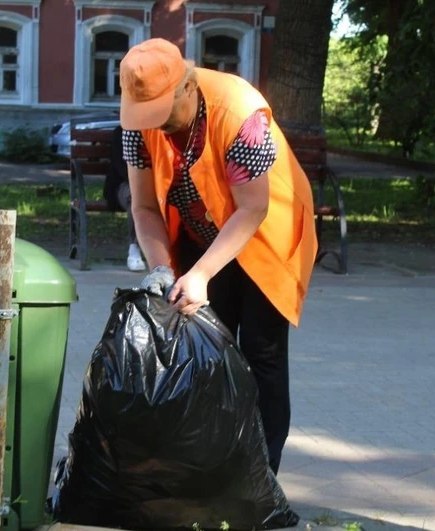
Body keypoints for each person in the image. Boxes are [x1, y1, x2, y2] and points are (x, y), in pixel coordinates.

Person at [119, 38, 318, 474]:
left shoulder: (241, 112)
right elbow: (144, 207)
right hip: (200, 228)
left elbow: (254, 208)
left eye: (166, 116)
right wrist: (160, 267)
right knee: (205, 345)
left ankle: (260, 478)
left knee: (261, 351)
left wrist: (203, 272)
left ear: (187, 87)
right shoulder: (136, 123)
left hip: (264, 230)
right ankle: (211, 467)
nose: (161, 128)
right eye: (150, 118)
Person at [104, 125, 146, 271]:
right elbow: (121, 168)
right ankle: (134, 249)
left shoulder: (157, 131)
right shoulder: (121, 132)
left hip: (152, 186)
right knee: (135, 196)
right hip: (123, 185)